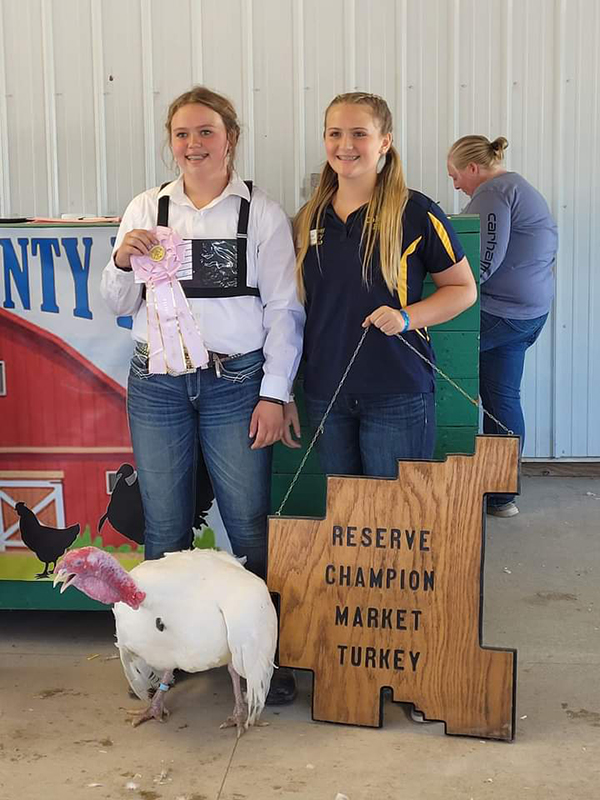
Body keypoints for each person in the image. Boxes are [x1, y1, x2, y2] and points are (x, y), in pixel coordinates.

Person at [100, 86, 304, 703]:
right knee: (164, 527)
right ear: (172, 142)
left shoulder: (260, 213)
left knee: (247, 525)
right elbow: (117, 303)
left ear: (231, 139)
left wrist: (274, 394)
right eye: (183, 134)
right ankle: (168, 659)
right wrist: (120, 260)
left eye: (207, 132)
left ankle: (266, 656)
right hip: (157, 384)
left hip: (235, 384)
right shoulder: (146, 207)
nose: (194, 144)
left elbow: (284, 311)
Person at [292, 92, 477, 480]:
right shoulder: (307, 219)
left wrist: (406, 317)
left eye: (359, 133)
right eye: (335, 133)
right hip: (327, 391)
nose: (345, 145)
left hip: (398, 390)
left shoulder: (417, 211)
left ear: (384, 142)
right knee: (346, 521)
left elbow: (463, 289)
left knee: (397, 520)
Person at [447, 135, 558, 517]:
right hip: (528, 312)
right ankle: (501, 496)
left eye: (456, 176)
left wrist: (448, 291)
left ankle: (439, 475)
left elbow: (483, 260)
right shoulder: (518, 188)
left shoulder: (495, 192)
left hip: (502, 313)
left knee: (432, 362)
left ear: (474, 169)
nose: (456, 185)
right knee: (502, 400)